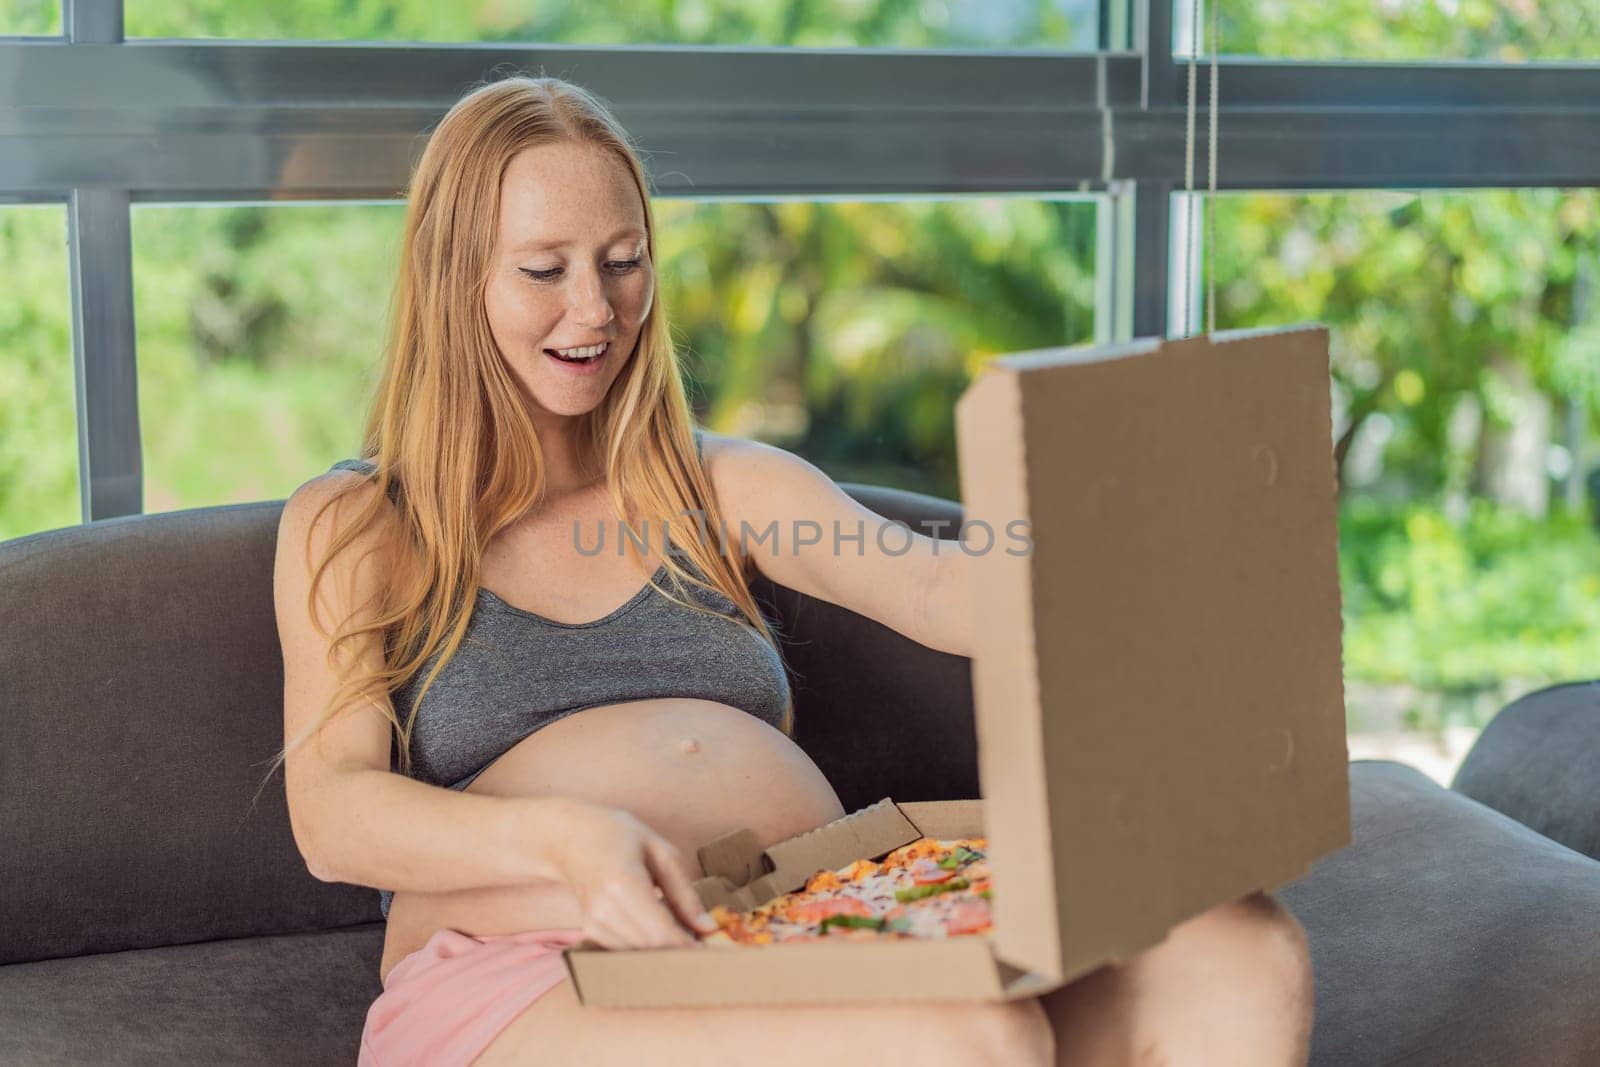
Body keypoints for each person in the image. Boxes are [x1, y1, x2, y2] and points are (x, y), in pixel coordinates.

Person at [270, 74, 1314, 1067]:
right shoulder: (361, 525)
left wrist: (1156, 545)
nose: (595, 309)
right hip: (529, 965)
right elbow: (332, 813)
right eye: (544, 270)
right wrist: (566, 841)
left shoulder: (725, 484)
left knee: (1240, 951)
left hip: (802, 921)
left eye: (623, 260)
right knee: (964, 1038)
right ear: (453, 280)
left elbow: (943, 588)